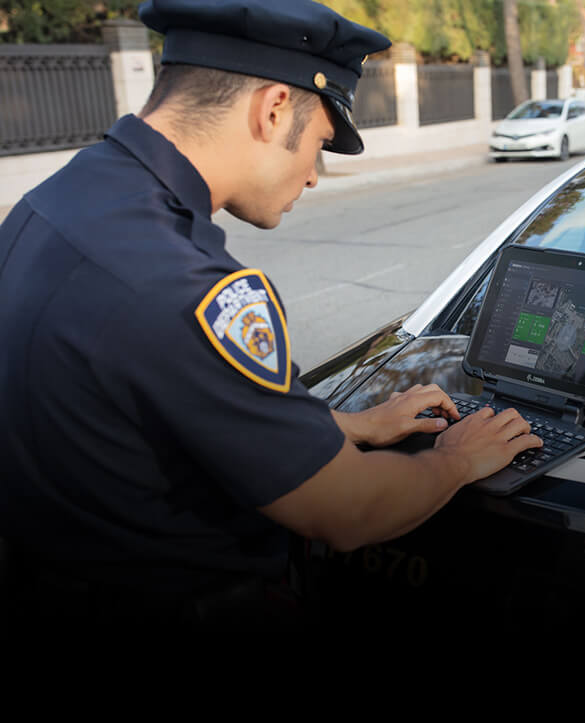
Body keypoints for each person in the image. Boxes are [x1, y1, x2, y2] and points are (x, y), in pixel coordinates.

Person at [0, 0, 542, 635]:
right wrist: (456, 458)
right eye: (318, 144)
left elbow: (157, 400)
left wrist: (349, 426)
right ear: (274, 109)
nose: (314, 176)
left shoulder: (53, 202)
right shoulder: (186, 285)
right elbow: (348, 512)